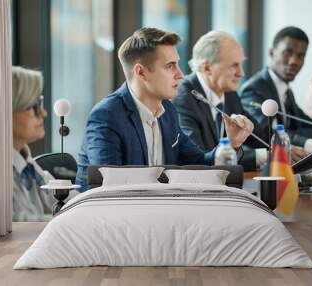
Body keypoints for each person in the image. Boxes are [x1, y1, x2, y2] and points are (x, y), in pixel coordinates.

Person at [76, 27, 253, 192]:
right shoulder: (107, 116)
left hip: (158, 212)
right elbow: (110, 191)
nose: (180, 74)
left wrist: (231, 143)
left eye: (177, 64)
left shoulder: (167, 111)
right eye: (170, 66)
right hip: (113, 219)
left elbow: (200, 164)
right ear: (141, 72)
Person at [173, 31, 268, 171]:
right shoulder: (183, 98)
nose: (241, 73)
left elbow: (259, 136)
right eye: (234, 65)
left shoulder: (229, 94)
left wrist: (283, 148)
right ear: (207, 68)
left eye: (241, 64)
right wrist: (265, 156)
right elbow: (200, 160)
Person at [240, 26, 312, 162]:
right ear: (272, 53)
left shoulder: (286, 90)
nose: (294, 61)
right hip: (260, 169)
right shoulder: (254, 89)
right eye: (287, 53)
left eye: (300, 56)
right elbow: (271, 134)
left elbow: (304, 123)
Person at [12, 66, 56, 221]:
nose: (43, 113)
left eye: (40, 104)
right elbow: (21, 222)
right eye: (32, 106)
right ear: (4, 110)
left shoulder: (26, 161)